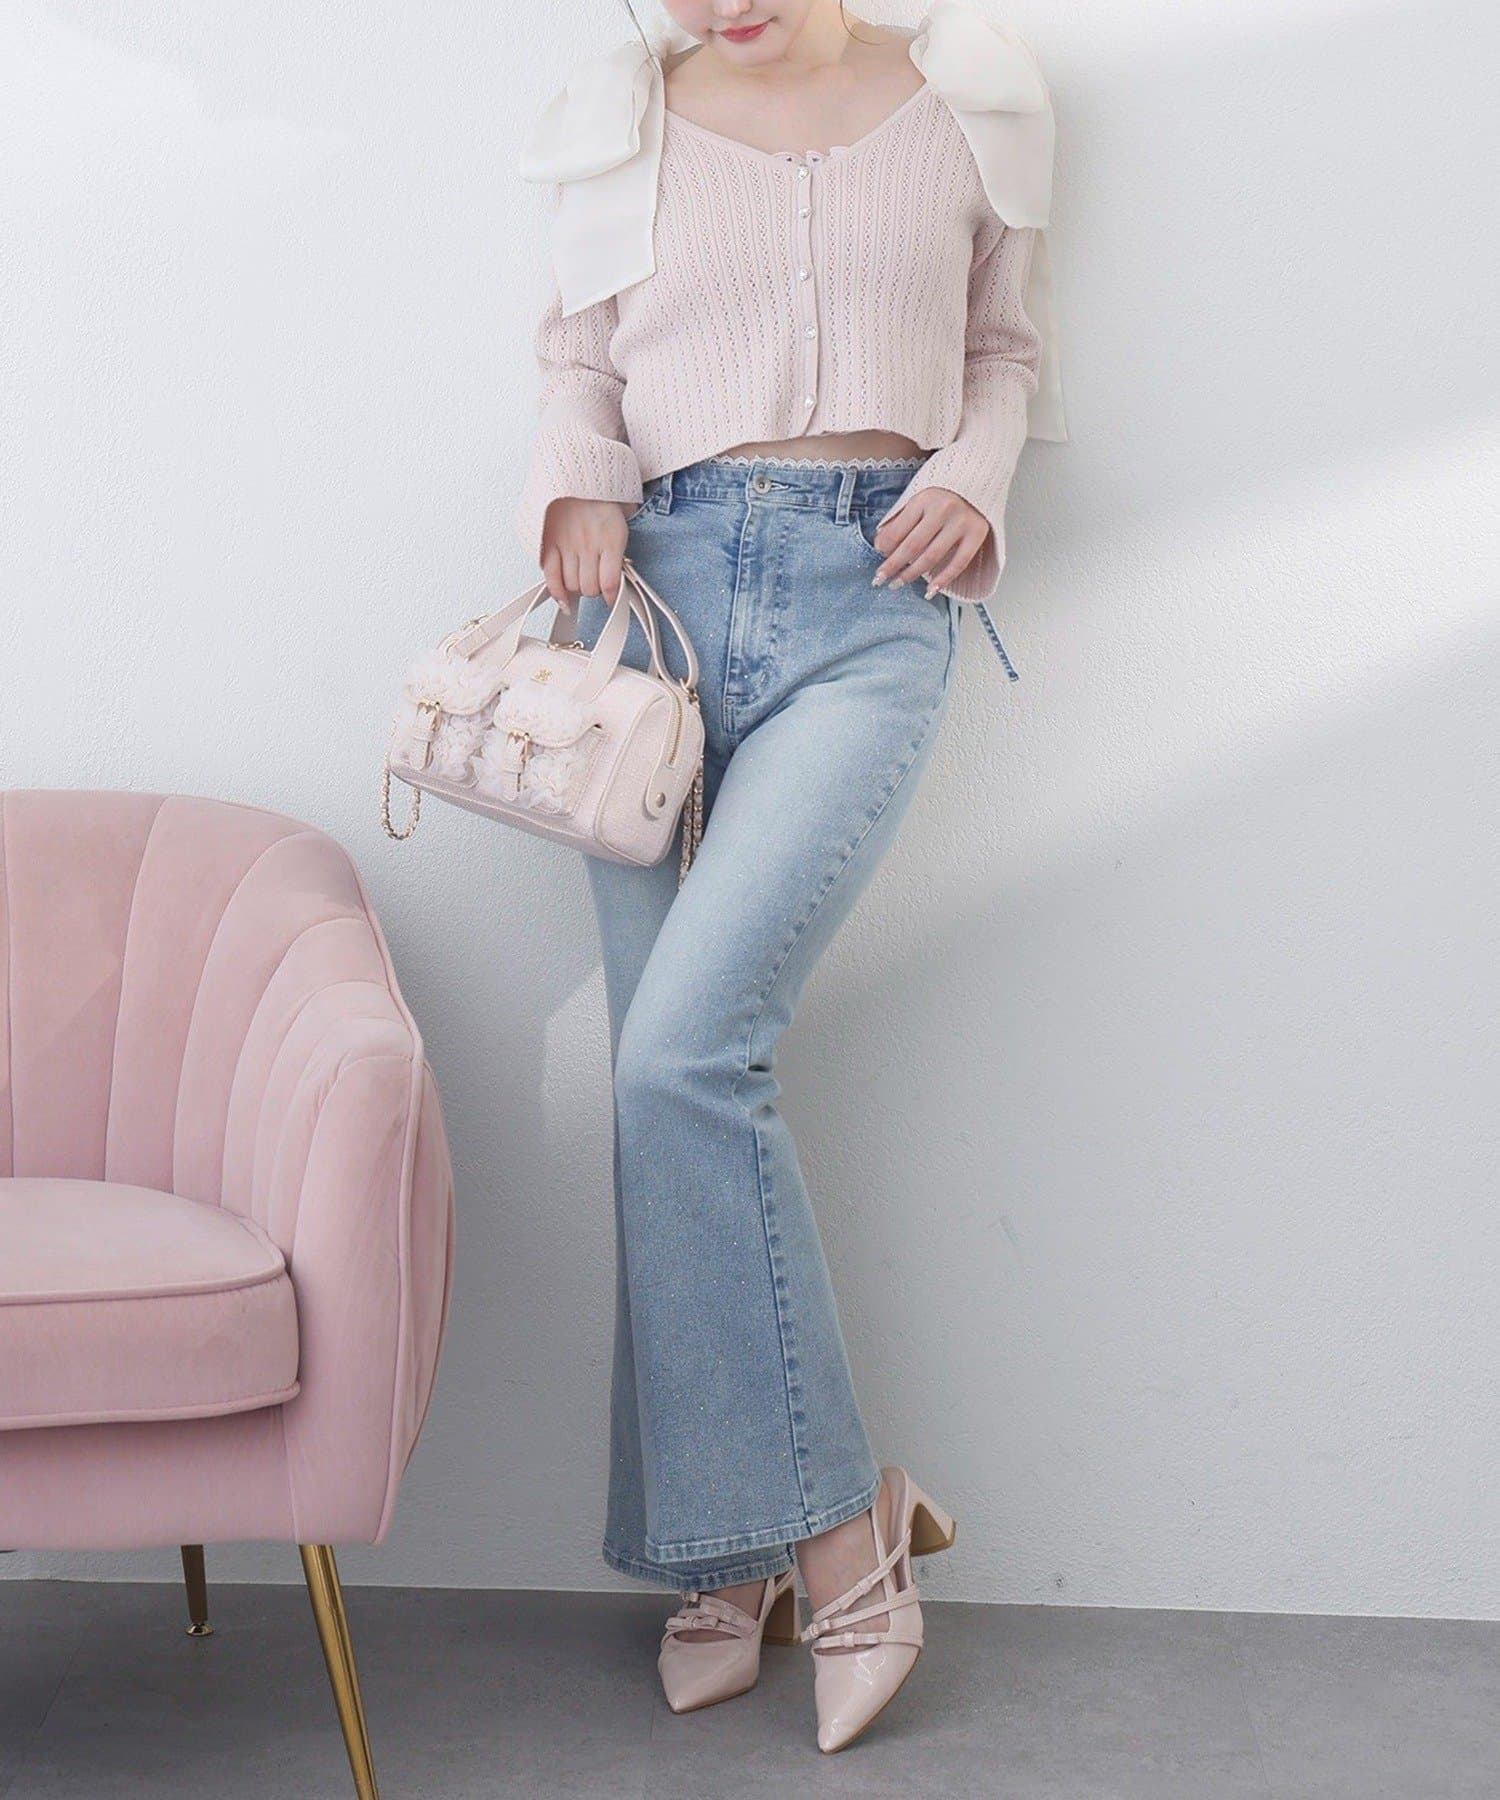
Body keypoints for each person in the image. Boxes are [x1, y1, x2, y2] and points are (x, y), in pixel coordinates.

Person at [514, 0, 1063, 1753]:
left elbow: (1004, 346)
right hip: (645, 610)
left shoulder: (970, 90)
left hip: (872, 598)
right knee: (658, 1082)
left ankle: (830, 1533)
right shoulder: (620, 104)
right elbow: (575, 352)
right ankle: (734, 1547)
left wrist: (975, 473)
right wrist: (579, 486)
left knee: (688, 1057)